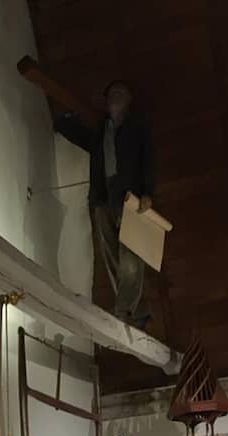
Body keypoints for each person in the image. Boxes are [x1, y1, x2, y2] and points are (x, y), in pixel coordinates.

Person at [55, 80, 154, 327]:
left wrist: (148, 193)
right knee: (112, 255)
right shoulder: (102, 130)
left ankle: (125, 309)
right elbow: (84, 139)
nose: (115, 96)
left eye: (120, 92)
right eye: (111, 93)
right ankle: (137, 310)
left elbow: (148, 160)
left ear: (128, 99)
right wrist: (63, 122)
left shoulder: (137, 128)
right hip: (103, 198)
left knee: (132, 257)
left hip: (130, 199)